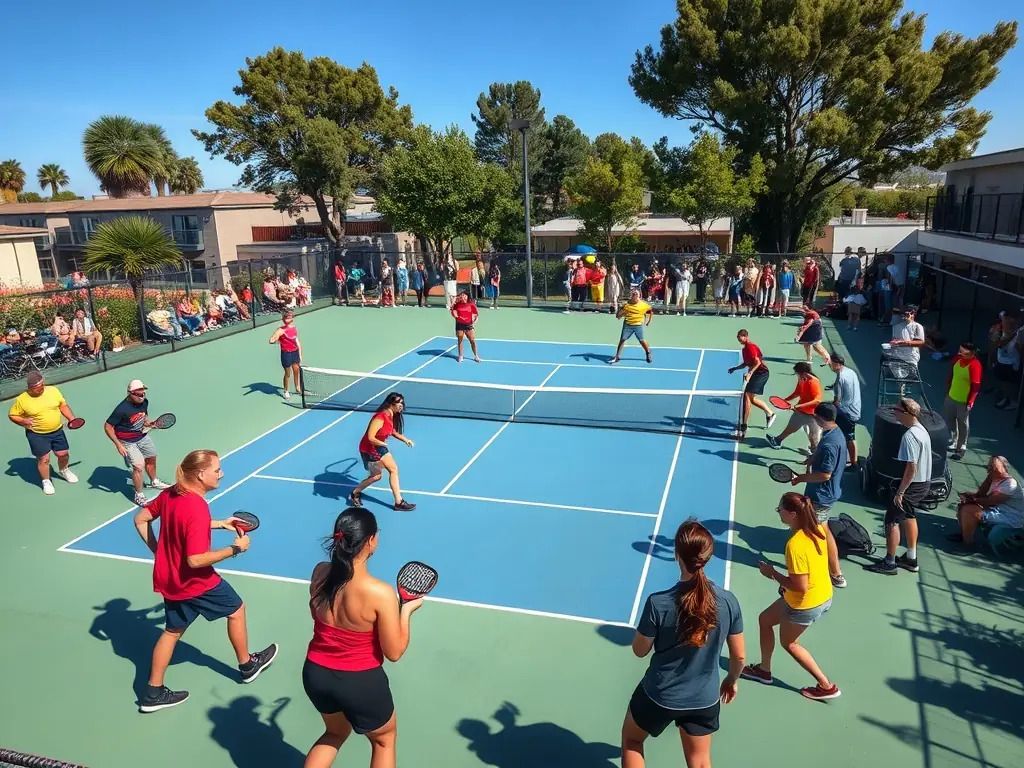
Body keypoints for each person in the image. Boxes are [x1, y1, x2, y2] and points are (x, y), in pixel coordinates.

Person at [133, 449, 278, 713]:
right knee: (236, 609)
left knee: (172, 631)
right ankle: (247, 666)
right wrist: (236, 549)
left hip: (170, 578)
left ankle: (152, 693)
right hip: (195, 581)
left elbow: (141, 519)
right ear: (201, 475)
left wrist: (220, 524)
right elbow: (196, 560)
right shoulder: (197, 506)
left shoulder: (171, 493)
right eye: (217, 470)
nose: (221, 474)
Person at [303, 508, 423, 768]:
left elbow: (316, 612)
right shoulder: (380, 593)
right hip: (359, 681)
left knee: (334, 733)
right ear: (370, 541)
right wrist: (407, 611)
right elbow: (394, 652)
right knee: (383, 741)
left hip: (316, 673)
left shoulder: (320, 572)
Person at [622, 520, 744, 768]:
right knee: (699, 761)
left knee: (632, 741)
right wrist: (731, 680)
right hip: (705, 699)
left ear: (677, 554)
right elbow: (739, 657)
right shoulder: (728, 602)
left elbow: (639, 650)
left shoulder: (659, 603)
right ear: (709, 557)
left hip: (659, 695)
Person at [741, 492, 840, 701]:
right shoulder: (819, 530)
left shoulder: (794, 545)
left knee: (790, 643)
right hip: (823, 594)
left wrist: (773, 574)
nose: (778, 512)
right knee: (765, 620)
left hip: (805, 603)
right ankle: (764, 670)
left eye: (780, 510)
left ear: (793, 514)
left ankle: (826, 685)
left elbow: (800, 586)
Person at [866, 398, 931, 575]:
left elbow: (911, 467)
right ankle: (911, 558)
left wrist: (900, 492)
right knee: (909, 516)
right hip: (923, 484)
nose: (894, 412)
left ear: (906, 413)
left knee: (892, 520)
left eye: (896, 409)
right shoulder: (922, 431)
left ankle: (890, 562)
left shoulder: (909, 437)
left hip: (910, 486)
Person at [791, 404, 847, 588]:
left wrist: (801, 478)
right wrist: (813, 458)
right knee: (817, 528)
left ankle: (836, 574)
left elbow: (825, 475)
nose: (813, 419)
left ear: (820, 419)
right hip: (826, 493)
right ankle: (833, 571)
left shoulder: (830, 443)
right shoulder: (835, 433)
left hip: (821, 495)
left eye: (815, 417)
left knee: (821, 532)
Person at [7, 371, 79, 496]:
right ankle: (46, 481)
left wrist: (72, 419)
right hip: (37, 434)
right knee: (44, 459)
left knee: (63, 454)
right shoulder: (22, 400)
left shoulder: (53, 391)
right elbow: (12, 415)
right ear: (30, 388)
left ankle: (64, 470)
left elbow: (63, 406)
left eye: (42, 386)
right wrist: (23, 421)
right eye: (38, 388)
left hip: (57, 431)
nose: (41, 390)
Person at [105, 379, 171, 507]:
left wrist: (150, 423)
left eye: (143, 393)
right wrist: (118, 444)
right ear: (130, 393)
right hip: (127, 441)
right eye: (139, 394)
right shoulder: (121, 409)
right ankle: (139, 494)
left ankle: (154, 481)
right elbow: (108, 426)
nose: (142, 396)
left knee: (152, 457)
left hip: (141, 436)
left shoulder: (144, 402)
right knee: (138, 466)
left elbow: (143, 418)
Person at [348, 393, 416, 512]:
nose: (401, 405)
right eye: (399, 403)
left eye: (402, 403)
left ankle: (398, 502)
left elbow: (392, 431)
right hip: (370, 448)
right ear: (391, 403)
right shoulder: (380, 417)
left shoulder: (390, 416)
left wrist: (406, 440)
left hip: (379, 446)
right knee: (380, 475)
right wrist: (383, 444)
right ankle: (355, 493)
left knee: (386, 472)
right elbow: (370, 437)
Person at [948, 455, 1024, 547]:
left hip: (1009, 516)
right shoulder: (992, 477)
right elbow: (980, 494)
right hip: (997, 510)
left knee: (968, 510)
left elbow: (991, 501)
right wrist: (971, 496)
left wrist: (973, 499)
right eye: (989, 467)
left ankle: (968, 543)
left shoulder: (1010, 484)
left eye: (993, 467)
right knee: (964, 505)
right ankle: (964, 534)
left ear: (1003, 468)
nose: (989, 470)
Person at [766, 362, 824, 452]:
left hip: (814, 415)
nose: (796, 375)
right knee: (791, 427)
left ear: (803, 372)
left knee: (814, 437)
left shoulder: (814, 382)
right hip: (801, 411)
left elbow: (817, 401)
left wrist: (797, 406)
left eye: (797, 373)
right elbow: (797, 392)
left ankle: (815, 455)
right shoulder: (801, 379)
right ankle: (778, 441)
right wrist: (785, 400)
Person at [728, 329, 776, 439]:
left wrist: (750, 373)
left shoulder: (751, 347)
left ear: (746, 336)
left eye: (740, 337)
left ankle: (744, 424)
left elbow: (757, 362)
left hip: (761, 373)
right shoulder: (744, 349)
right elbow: (746, 363)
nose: (739, 340)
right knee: (750, 399)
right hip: (756, 373)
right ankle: (770, 414)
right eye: (738, 338)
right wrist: (735, 368)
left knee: (747, 397)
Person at [943, 342, 982, 461]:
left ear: (972, 353)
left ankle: (961, 448)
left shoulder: (975, 365)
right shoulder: (957, 359)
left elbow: (975, 387)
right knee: (949, 420)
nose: (960, 353)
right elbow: (951, 375)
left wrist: (971, 401)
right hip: (951, 397)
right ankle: (954, 440)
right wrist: (948, 390)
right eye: (960, 350)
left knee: (963, 425)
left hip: (963, 401)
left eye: (963, 352)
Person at [829, 355, 861, 468]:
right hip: (855, 409)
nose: (829, 364)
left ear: (837, 364)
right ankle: (852, 462)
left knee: (848, 437)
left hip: (847, 413)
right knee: (849, 436)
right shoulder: (851, 372)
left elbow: (836, 402)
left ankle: (852, 464)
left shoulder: (840, 379)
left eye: (831, 362)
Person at [611, 290, 654, 365]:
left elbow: (650, 310)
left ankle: (648, 353)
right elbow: (618, 316)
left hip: (638, 325)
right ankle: (617, 357)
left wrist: (648, 321)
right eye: (633, 294)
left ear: (639, 296)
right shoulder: (627, 305)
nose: (635, 295)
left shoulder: (643, 305)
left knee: (642, 340)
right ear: (631, 296)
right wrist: (620, 311)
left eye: (636, 294)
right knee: (622, 340)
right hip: (628, 325)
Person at [885, 305, 926, 379]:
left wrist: (905, 342)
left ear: (913, 314)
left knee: (909, 379)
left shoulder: (917, 326)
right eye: (904, 314)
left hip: (911, 358)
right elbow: (894, 340)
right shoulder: (896, 327)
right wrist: (893, 343)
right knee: (895, 377)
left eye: (907, 314)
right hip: (897, 357)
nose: (904, 316)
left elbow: (921, 342)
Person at [269, 310, 302, 400]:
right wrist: (279, 340)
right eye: (285, 317)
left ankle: (297, 388)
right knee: (288, 373)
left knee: (296, 370)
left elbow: (297, 341)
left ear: (292, 319)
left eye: (289, 317)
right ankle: (286, 391)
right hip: (286, 354)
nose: (287, 318)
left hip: (295, 353)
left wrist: (300, 354)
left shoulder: (294, 328)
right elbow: (271, 340)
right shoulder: (280, 330)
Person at [992, 312, 1021, 410]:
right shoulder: (999, 330)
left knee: (1011, 384)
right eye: (1005, 319)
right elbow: (996, 344)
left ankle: (1013, 402)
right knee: (1002, 382)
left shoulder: (1019, 332)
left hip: (1012, 364)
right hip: (1001, 361)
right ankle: (1006, 397)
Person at [451, 291, 481, 363]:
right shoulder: (457, 305)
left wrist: (473, 324)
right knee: (460, 339)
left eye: (464, 295)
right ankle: (460, 356)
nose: (462, 297)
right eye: (461, 295)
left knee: (472, 340)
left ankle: (476, 356)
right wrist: (453, 304)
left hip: (468, 325)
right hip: (459, 324)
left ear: (467, 297)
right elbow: (454, 314)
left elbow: (476, 316)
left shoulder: (471, 305)